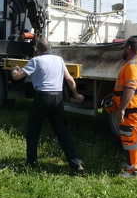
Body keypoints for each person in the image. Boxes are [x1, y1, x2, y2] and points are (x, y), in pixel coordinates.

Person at [11, 38, 86, 175]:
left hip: (42, 97)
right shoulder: (59, 60)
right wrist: (76, 94)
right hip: (58, 97)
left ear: (37, 49)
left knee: (33, 131)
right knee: (62, 132)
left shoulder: (35, 61)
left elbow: (17, 77)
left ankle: (31, 163)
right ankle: (77, 163)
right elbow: (69, 79)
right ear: (49, 48)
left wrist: (14, 70)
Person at [114, 36, 137, 178]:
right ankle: (131, 164)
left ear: (129, 48)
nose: (123, 50)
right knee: (132, 138)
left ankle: (133, 170)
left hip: (131, 109)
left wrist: (121, 108)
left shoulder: (132, 65)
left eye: (124, 47)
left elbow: (130, 88)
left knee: (129, 140)